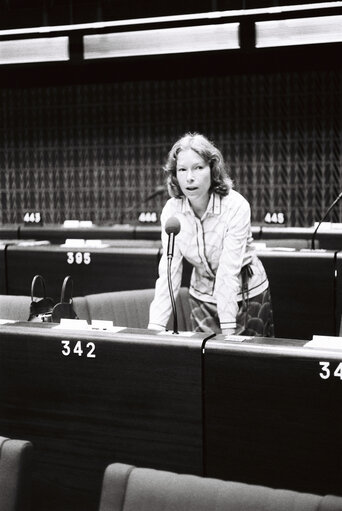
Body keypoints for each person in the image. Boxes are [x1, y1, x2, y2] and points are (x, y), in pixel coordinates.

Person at [148, 133, 274, 336]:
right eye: (182, 169)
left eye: (198, 167)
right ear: (174, 175)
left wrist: (228, 333)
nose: (189, 177)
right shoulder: (171, 211)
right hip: (202, 296)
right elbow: (168, 273)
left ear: (212, 169)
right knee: (203, 362)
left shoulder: (235, 205)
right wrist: (154, 329)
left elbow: (228, 271)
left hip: (247, 294)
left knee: (245, 361)